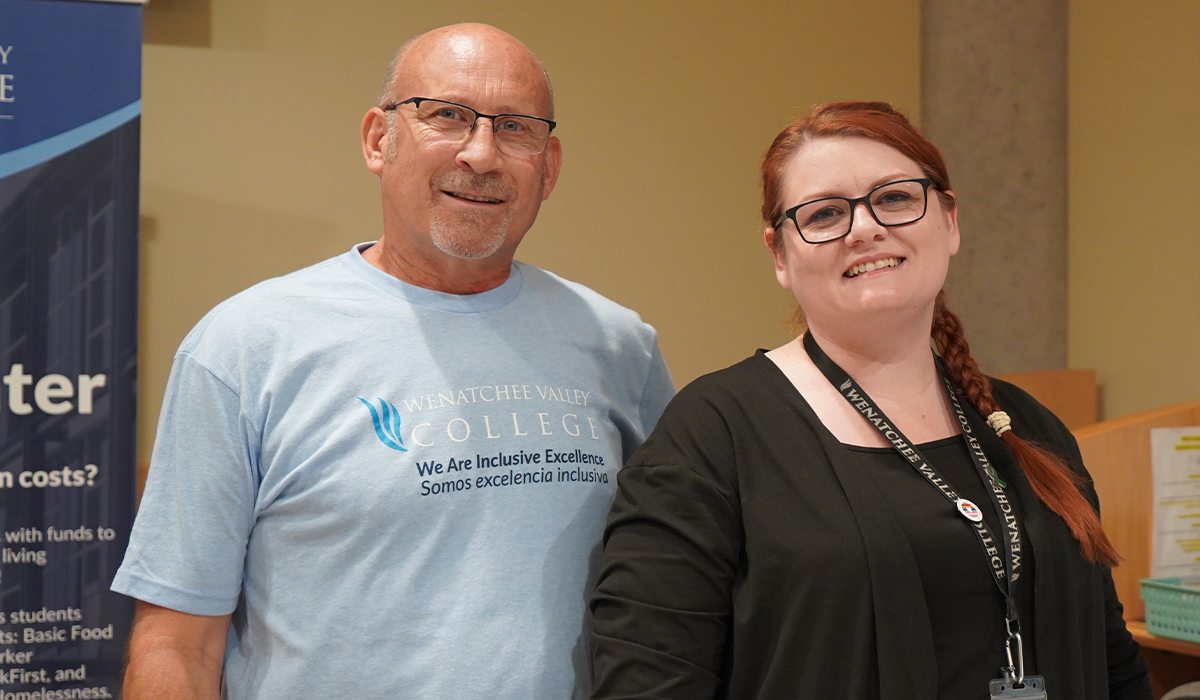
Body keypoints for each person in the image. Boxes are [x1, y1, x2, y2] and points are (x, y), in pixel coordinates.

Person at [112, 23, 673, 700]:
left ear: (548, 167)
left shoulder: (620, 347)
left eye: (516, 129)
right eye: (447, 116)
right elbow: (178, 643)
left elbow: (670, 596)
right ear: (380, 139)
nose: (482, 154)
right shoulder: (244, 347)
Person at [589, 101, 1150, 700]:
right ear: (780, 254)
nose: (864, 228)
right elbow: (647, 683)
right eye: (825, 213)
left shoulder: (1026, 423)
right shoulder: (712, 436)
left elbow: (1111, 658)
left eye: (895, 198)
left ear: (950, 220)